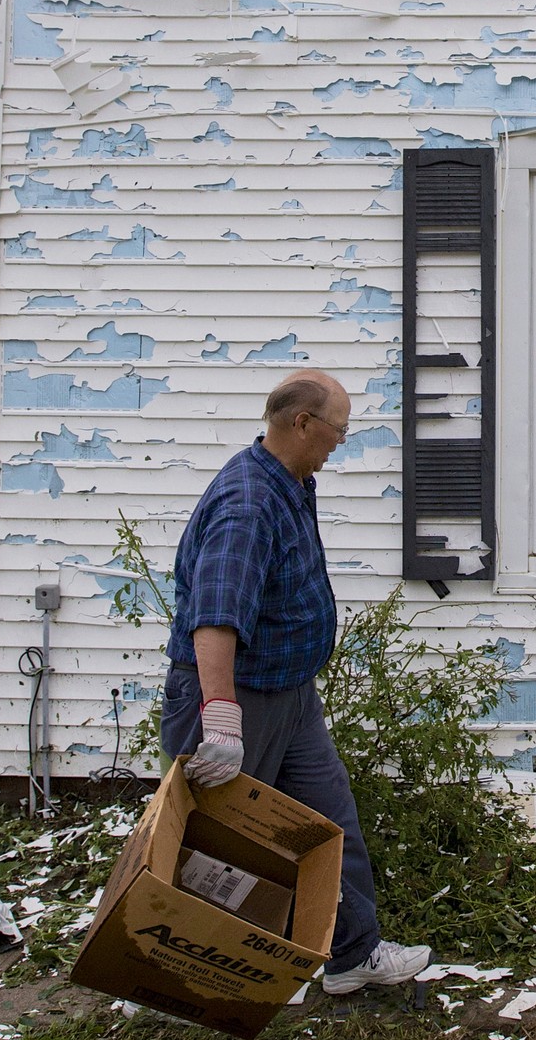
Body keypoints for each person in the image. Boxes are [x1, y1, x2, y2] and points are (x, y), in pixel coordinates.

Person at [160, 367, 429, 992]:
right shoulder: (248, 504)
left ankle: (351, 957)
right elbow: (215, 619)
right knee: (217, 848)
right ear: (301, 423)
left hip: (289, 695)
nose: (341, 441)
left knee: (326, 826)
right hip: (238, 700)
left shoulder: (289, 481)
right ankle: (177, 969)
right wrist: (221, 716)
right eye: (336, 430)